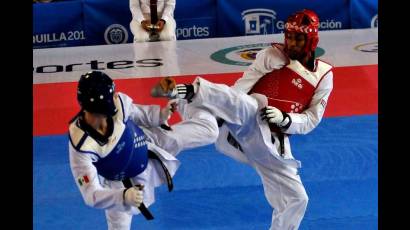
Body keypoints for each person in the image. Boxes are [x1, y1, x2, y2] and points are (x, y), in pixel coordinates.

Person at [151, 9, 333, 230]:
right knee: (249, 104)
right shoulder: (272, 55)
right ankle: (185, 94)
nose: (292, 43)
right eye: (290, 37)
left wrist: (285, 119)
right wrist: (222, 111)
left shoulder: (323, 75)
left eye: (298, 39)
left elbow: (311, 119)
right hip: (239, 127)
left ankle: (186, 105)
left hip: (270, 144)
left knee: (297, 199)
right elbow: (241, 88)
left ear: (311, 40)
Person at [68, 71, 218, 230]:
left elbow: (139, 114)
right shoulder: (82, 146)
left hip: (149, 142)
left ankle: (187, 100)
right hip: (120, 185)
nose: (115, 97)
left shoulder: (119, 104)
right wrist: (123, 197)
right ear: (101, 104)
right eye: (110, 96)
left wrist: (161, 115)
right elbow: (91, 194)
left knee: (210, 131)